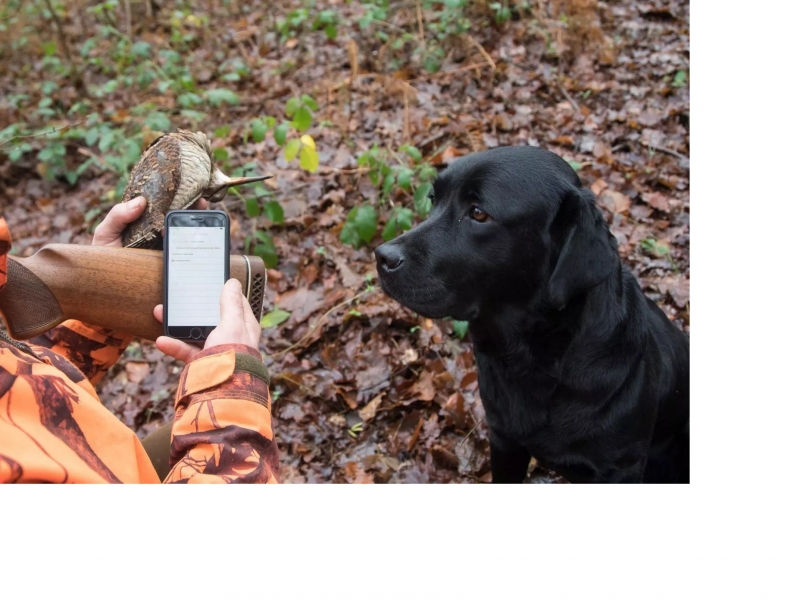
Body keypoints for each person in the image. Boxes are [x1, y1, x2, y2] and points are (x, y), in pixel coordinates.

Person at [0, 197, 279, 483]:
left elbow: (24, 391)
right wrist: (232, 389)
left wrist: (100, 289)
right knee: (243, 425)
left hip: (88, 452)